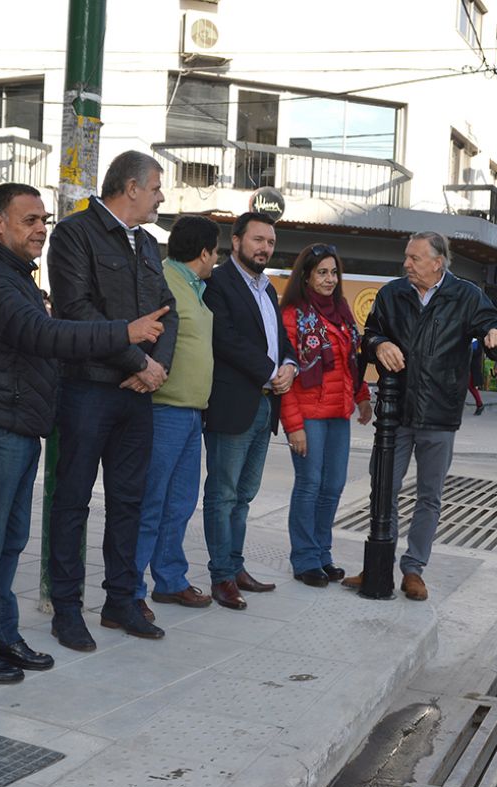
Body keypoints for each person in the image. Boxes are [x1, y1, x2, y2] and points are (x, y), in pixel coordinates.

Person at [0, 183, 165, 683]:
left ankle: (1, 635)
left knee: (8, 544)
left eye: (43, 219)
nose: (41, 229)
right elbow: (42, 334)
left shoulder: (16, 276)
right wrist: (124, 332)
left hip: (19, 426)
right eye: (30, 220)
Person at [46, 151, 179, 650]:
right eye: (156, 187)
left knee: (129, 501)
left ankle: (121, 601)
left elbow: (169, 313)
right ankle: (66, 609)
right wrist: (137, 361)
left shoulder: (147, 244)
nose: (161, 197)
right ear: (131, 187)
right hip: (88, 389)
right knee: (73, 500)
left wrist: (156, 369)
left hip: (136, 394)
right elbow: (76, 311)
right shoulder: (74, 234)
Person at [343, 231, 497, 601]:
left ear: (438, 263)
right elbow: (368, 337)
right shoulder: (391, 294)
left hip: (440, 412)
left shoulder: (466, 295)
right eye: (406, 256)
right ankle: (378, 565)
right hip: (396, 412)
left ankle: (413, 569)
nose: (406, 264)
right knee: (383, 488)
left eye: (414, 258)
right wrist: (379, 343)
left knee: (429, 496)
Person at [202, 211, 295, 610]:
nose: (265, 248)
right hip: (233, 403)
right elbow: (224, 338)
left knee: (244, 495)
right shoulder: (218, 283)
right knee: (222, 495)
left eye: (270, 242)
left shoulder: (267, 288)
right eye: (258, 240)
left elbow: (280, 338)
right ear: (236, 241)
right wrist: (271, 370)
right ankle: (221, 576)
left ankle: (236, 567)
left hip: (265, 403)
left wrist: (289, 364)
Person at [133, 214, 218, 617]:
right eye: (216, 251)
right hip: (163, 409)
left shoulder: (195, 287)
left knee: (181, 502)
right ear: (204, 252)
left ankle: (169, 579)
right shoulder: (164, 280)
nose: (217, 258)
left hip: (191, 413)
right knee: (151, 503)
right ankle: (131, 588)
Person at [278, 243, 371, 587]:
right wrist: (293, 426)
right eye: (322, 272)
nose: (330, 279)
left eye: (334, 272)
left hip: (338, 413)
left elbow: (351, 362)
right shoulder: (292, 315)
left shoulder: (342, 312)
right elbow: (284, 376)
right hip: (309, 415)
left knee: (333, 486)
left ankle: (321, 554)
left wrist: (362, 396)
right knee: (310, 485)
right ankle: (305, 559)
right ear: (306, 276)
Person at [466, 340, 485, 416]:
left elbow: (475, 353)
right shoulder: (467, 340)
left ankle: (480, 404)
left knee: (471, 386)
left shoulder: (477, 343)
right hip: (465, 367)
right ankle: (480, 404)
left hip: (473, 369)